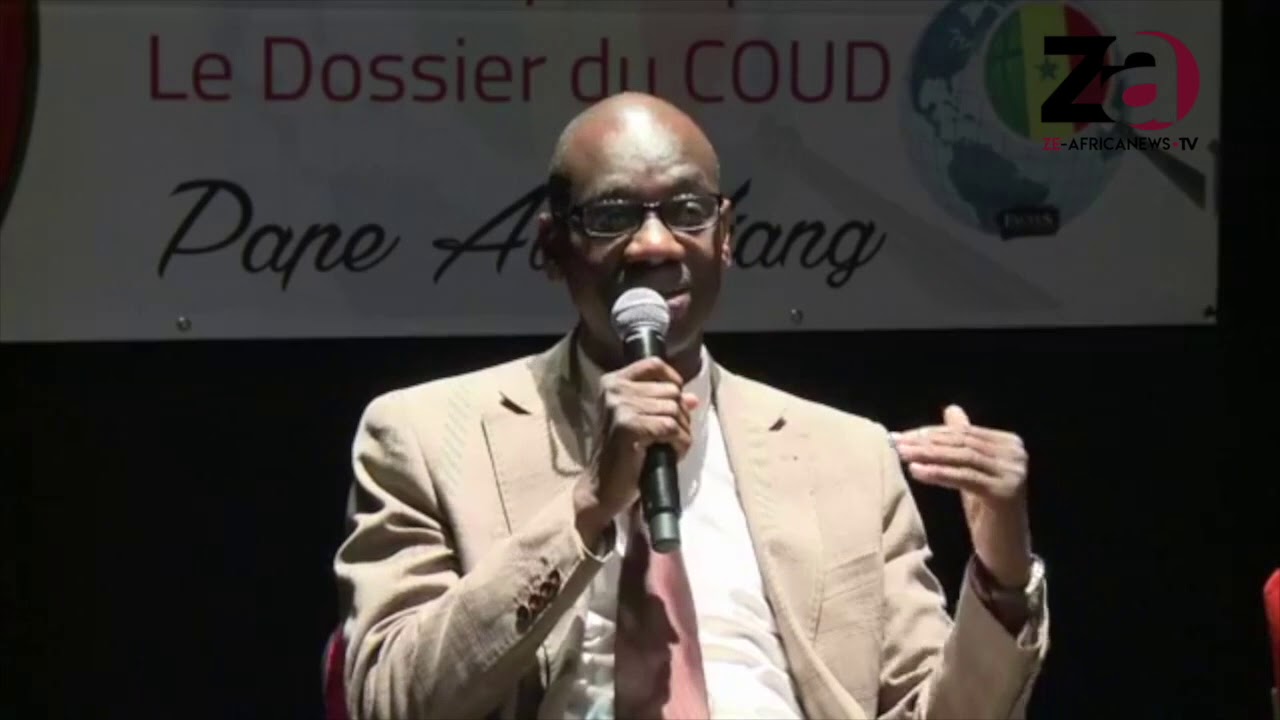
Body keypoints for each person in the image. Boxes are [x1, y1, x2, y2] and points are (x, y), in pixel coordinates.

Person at [332, 91, 1049, 720]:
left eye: (686, 211)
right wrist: (585, 509)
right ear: (552, 245)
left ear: (725, 236)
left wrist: (1004, 579)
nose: (654, 243)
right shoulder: (426, 436)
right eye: (612, 215)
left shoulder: (848, 456)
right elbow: (390, 700)